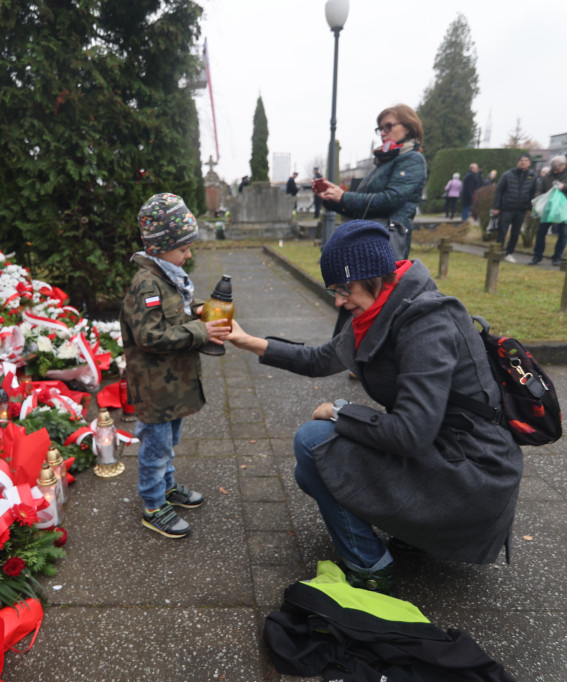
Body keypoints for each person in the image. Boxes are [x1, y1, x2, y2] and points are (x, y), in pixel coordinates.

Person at [225, 220, 522, 594]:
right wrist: (248, 341)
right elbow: (320, 360)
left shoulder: (427, 321)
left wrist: (339, 411)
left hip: (471, 472)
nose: (337, 301)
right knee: (311, 472)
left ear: (373, 277)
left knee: (314, 441)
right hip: (441, 449)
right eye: (332, 290)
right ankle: (414, 534)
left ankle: (371, 568)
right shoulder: (379, 310)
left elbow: (411, 433)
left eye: (342, 288)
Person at [119, 193, 231, 538]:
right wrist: (200, 330)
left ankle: (166, 488)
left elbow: (174, 312)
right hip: (156, 387)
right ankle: (153, 505)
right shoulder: (147, 284)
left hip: (172, 384)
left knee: (168, 442)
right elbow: (149, 335)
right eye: (182, 249)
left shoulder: (168, 277)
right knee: (155, 447)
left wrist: (196, 310)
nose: (188, 254)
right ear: (159, 248)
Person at [314, 103, 428, 260]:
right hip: (366, 238)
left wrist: (344, 197)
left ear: (408, 127)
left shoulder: (412, 159)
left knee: (375, 284)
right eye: (380, 129)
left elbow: (390, 200)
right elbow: (363, 209)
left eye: (388, 126)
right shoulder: (382, 163)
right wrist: (332, 198)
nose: (383, 133)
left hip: (386, 241)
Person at [529, 154, 567, 266]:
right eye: (553, 170)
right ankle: (537, 256)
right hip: (549, 208)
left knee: (564, 233)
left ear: (564, 165)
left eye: (557, 169)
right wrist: (539, 199)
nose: (555, 172)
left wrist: (565, 186)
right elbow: (541, 188)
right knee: (541, 232)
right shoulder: (550, 174)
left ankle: (557, 257)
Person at [491, 153, 538, 262]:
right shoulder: (507, 174)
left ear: (529, 163)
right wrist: (496, 207)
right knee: (502, 230)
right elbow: (499, 191)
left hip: (521, 209)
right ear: (518, 162)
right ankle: (498, 251)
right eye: (521, 160)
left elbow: (532, 193)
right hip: (507, 208)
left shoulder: (532, 177)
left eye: (526, 160)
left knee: (516, 232)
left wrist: (529, 209)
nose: (523, 162)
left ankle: (509, 252)